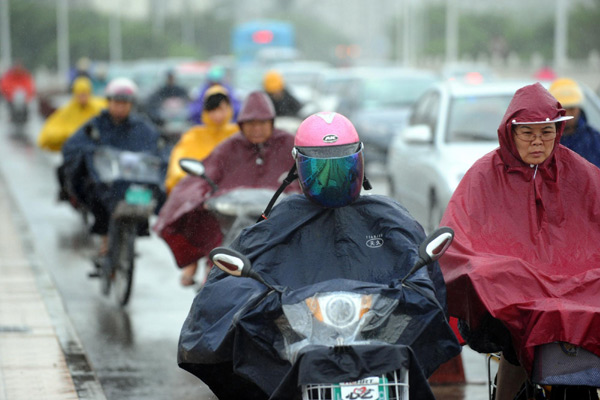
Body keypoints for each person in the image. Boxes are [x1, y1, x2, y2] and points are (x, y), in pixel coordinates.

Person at [176, 111, 461, 399]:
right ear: (300, 165)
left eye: (341, 166)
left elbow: (425, 282)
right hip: (299, 345)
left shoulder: (389, 220)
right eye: (321, 169)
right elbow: (231, 286)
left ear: (359, 161)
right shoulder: (279, 223)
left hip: (380, 342)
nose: (331, 179)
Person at [438, 82, 600, 400]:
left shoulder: (581, 173)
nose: (538, 142)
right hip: (515, 295)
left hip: (575, 285)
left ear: (559, 130)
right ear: (510, 133)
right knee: (510, 327)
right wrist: (495, 268)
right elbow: (460, 237)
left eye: (547, 133)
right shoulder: (484, 174)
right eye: (528, 134)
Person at [154, 91, 299, 287]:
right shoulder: (229, 147)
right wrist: (201, 197)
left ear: (271, 122)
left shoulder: (289, 145)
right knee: (212, 284)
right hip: (231, 228)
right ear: (241, 124)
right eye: (251, 123)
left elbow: (306, 176)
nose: (256, 129)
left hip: (280, 226)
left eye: (262, 123)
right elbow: (205, 175)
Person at [62, 77, 166, 256]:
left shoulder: (142, 127)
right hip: (106, 185)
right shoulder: (96, 125)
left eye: (125, 103)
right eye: (117, 102)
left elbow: (159, 148)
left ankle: (131, 238)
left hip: (135, 184)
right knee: (94, 192)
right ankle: (105, 238)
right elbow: (71, 146)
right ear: (108, 102)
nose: (121, 107)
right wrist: (90, 152)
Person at [164, 85, 238, 194]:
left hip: (232, 194)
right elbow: (178, 164)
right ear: (205, 111)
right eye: (213, 109)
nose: (217, 114)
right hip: (198, 194)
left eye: (221, 108)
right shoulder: (193, 135)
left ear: (229, 108)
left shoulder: (237, 134)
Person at [37, 76, 107, 152]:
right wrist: (69, 134)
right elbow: (47, 134)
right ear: (75, 93)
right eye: (80, 93)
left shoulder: (100, 107)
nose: (82, 97)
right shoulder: (67, 111)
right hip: (76, 152)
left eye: (85, 93)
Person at [549, 77, 600, 168]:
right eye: (562, 109)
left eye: (571, 108)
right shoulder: (542, 140)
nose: (567, 114)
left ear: (579, 108)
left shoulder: (595, 140)